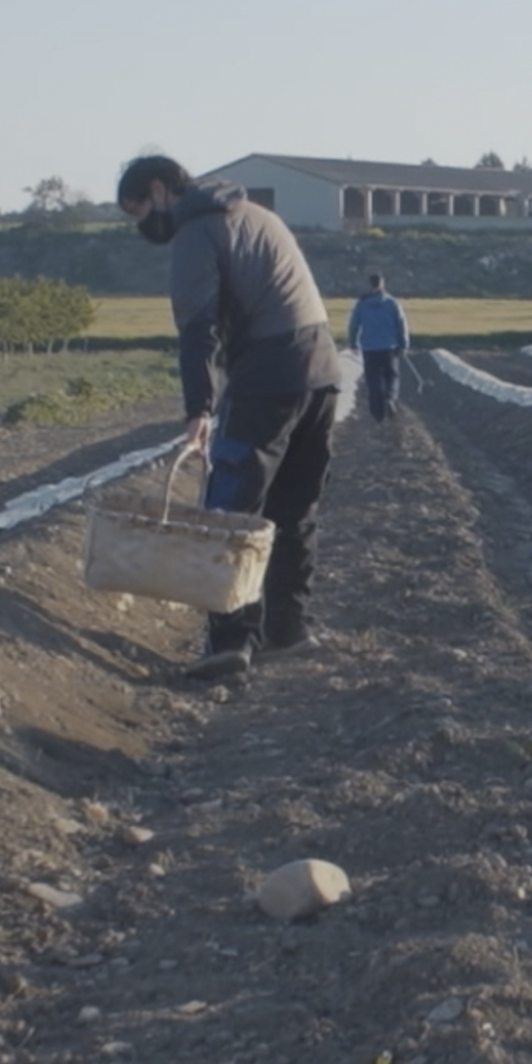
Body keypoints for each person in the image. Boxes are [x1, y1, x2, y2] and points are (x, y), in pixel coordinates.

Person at [118, 154, 342, 680]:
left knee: (230, 508)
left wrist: (199, 408)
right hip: (324, 369)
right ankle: (288, 629)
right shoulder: (259, 216)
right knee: (293, 508)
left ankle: (229, 644)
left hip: (268, 371)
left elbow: (198, 327)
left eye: (140, 211)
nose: (145, 226)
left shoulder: (197, 232)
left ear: (159, 190)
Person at [346, 271, 410, 421]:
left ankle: (377, 413)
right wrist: (404, 344)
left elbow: (354, 325)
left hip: (370, 348)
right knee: (392, 376)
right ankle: (390, 398)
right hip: (389, 347)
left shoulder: (362, 304)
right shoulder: (392, 302)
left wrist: (353, 343)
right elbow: (401, 324)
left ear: (369, 284)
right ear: (382, 284)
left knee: (373, 380)